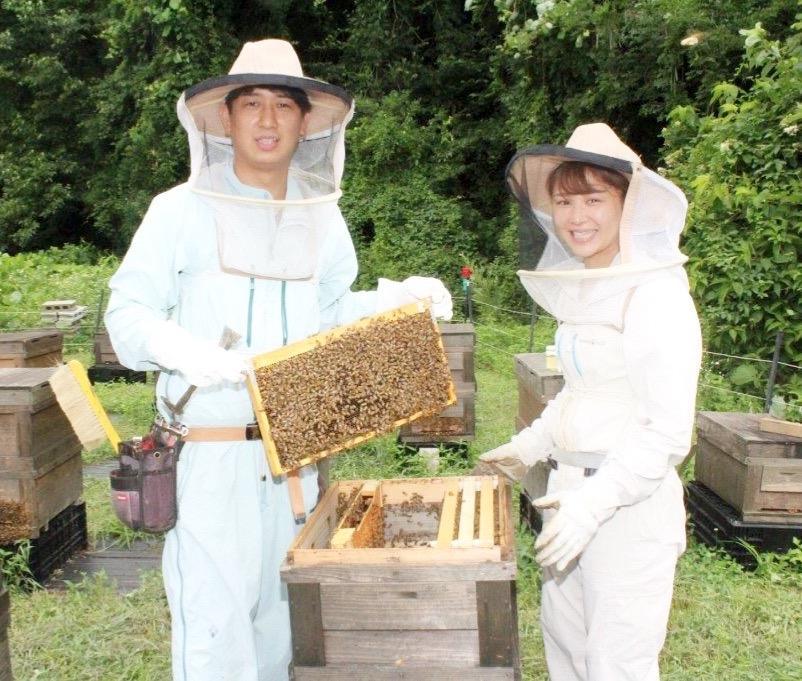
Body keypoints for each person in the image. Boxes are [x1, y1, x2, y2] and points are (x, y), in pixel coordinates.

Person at [104, 39, 451, 681]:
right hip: (209, 458)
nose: (268, 121)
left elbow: (329, 314)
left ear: (306, 122)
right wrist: (186, 351)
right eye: (253, 104)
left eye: (283, 106)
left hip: (296, 456)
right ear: (226, 119)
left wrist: (398, 301)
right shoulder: (178, 211)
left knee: (279, 622)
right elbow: (126, 317)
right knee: (215, 627)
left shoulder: (321, 217)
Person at [479, 123, 702, 680]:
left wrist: (597, 501)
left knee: (616, 664)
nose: (577, 216)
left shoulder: (656, 296)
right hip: (567, 495)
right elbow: (582, 392)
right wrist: (529, 444)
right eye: (563, 201)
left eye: (593, 199)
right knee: (568, 651)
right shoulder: (588, 285)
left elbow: (667, 431)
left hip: (626, 507)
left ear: (628, 204)